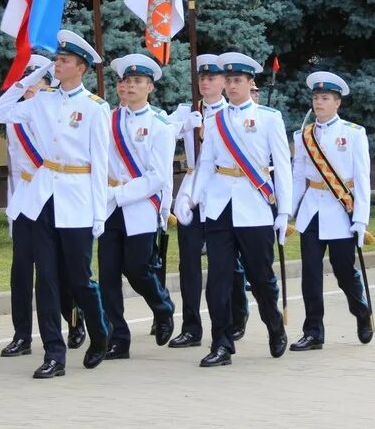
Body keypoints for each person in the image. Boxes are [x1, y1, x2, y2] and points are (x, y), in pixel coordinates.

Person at [0, 31, 111, 379]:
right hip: (43, 198)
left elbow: (100, 165)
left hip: (77, 199)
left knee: (80, 279)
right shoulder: (42, 101)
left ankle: (99, 334)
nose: (57, 65)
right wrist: (29, 77)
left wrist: (98, 214)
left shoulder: (95, 108)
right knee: (46, 280)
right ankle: (54, 354)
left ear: (81, 68)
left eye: (63, 61)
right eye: (56, 60)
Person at [181, 51, 292, 368]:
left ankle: (274, 324)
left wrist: (283, 213)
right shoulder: (215, 120)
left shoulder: (269, 118)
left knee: (260, 278)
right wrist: (192, 198)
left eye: (237, 80)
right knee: (218, 279)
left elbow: (282, 167)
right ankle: (222, 344)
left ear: (249, 83)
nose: (231, 85)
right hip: (219, 207)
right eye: (227, 80)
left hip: (254, 206)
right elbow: (206, 164)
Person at [0, 56, 86, 358]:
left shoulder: (53, 112)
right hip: (26, 198)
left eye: (37, 83)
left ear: (49, 87)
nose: (30, 89)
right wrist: (20, 83)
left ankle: (74, 321)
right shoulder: (18, 114)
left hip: (55, 195)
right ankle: (22, 335)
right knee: (21, 269)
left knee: (57, 269)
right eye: (27, 84)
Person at [168, 54, 250, 348]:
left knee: (226, 263)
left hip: (222, 189)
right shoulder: (185, 110)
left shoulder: (232, 113)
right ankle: (191, 326)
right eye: (201, 78)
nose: (205, 83)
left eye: (212, 78)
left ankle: (236, 315)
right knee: (189, 262)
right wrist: (181, 126)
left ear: (224, 83)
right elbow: (159, 135)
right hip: (193, 187)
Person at [98, 54, 176, 359]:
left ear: (150, 88)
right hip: (107, 206)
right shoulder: (106, 120)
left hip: (140, 206)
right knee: (107, 275)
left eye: (137, 82)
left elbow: (158, 176)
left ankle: (163, 306)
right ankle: (118, 337)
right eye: (125, 81)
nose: (129, 86)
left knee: (137, 269)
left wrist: (120, 194)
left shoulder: (160, 125)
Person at [288, 71, 373, 351]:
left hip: (340, 211)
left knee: (344, 272)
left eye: (325, 98)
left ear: (337, 103)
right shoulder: (304, 135)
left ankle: (361, 311)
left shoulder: (353, 133)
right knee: (310, 273)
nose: (319, 102)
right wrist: (286, 212)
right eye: (315, 97)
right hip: (312, 211)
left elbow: (362, 180)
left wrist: (360, 219)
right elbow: (298, 174)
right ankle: (313, 331)